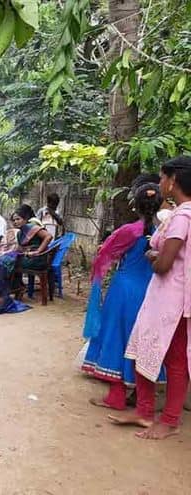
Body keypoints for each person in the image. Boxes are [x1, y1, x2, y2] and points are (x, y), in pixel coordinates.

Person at [111, 156, 191, 439]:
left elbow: (164, 264)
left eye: (162, 178)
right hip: (162, 297)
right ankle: (144, 412)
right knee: (141, 347)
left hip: (175, 300)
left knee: (175, 360)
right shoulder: (179, 213)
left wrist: (153, 255)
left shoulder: (182, 216)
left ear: (173, 180)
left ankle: (168, 420)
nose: (160, 184)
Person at [82, 182, 163, 410]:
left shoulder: (129, 231)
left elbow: (104, 253)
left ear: (135, 205)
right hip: (150, 292)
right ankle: (139, 394)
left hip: (123, 291)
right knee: (141, 340)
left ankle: (116, 396)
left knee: (116, 338)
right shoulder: (162, 232)